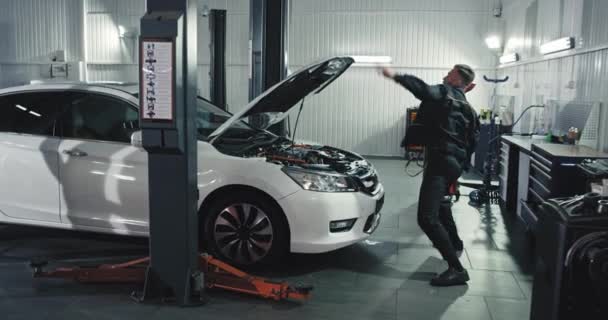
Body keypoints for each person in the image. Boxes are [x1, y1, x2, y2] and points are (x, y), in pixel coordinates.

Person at [381, 64, 479, 286]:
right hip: (454, 164)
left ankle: (456, 269)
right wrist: (458, 169)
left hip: (440, 161)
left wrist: (396, 76)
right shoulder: (470, 109)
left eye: (449, 74)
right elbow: (472, 142)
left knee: (426, 217)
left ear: (456, 79)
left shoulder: (445, 91)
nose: (445, 76)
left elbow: (423, 89)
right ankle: (454, 243)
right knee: (442, 206)